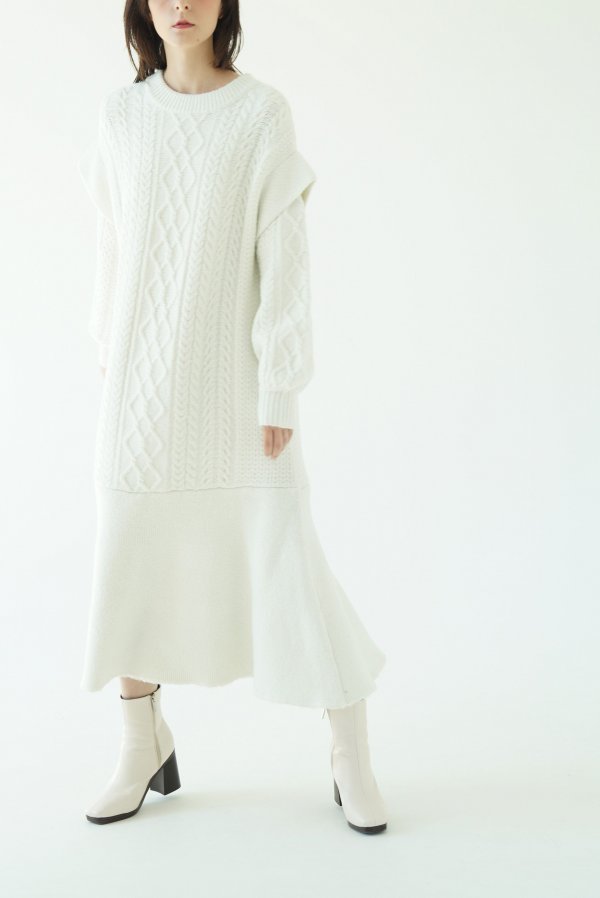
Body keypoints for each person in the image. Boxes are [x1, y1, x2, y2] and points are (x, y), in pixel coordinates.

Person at [77, 0, 388, 835]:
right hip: (137, 392)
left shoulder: (259, 113)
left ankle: (349, 752)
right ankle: (140, 745)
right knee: (130, 560)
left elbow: (284, 253)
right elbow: (110, 244)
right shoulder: (119, 116)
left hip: (238, 396)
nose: (181, 6)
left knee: (288, 563)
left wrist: (281, 382)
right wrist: (109, 353)